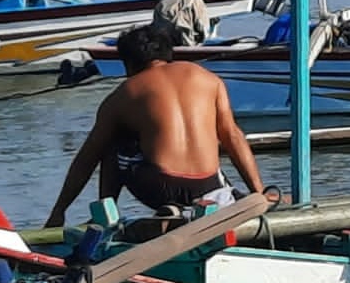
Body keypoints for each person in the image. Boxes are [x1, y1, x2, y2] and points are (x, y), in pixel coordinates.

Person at [44, 25, 274, 228]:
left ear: (129, 63)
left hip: (161, 187)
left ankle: (106, 217)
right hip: (208, 187)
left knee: (111, 143)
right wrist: (258, 193)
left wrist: (58, 212)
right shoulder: (209, 79)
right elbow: (232, 136)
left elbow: (87, 158)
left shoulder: (124, 94)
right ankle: (204, 205)